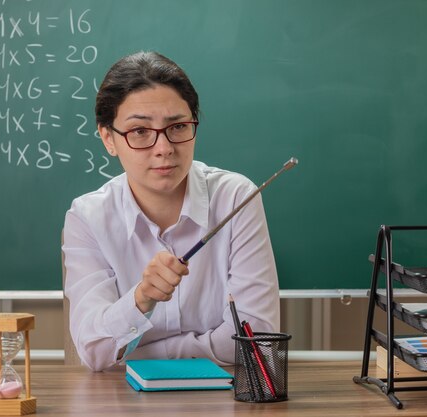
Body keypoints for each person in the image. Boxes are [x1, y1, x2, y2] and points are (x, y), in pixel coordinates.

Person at [62, 51, 279, 371]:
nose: (163, 147)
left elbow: (256, 338)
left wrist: (138, 351)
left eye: (177, 126)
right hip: (125, 402)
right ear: (108, 138)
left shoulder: (236, 198)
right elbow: (94, 351)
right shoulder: (88, 218)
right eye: (140, 132)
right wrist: (141, 298)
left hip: (226, 399)